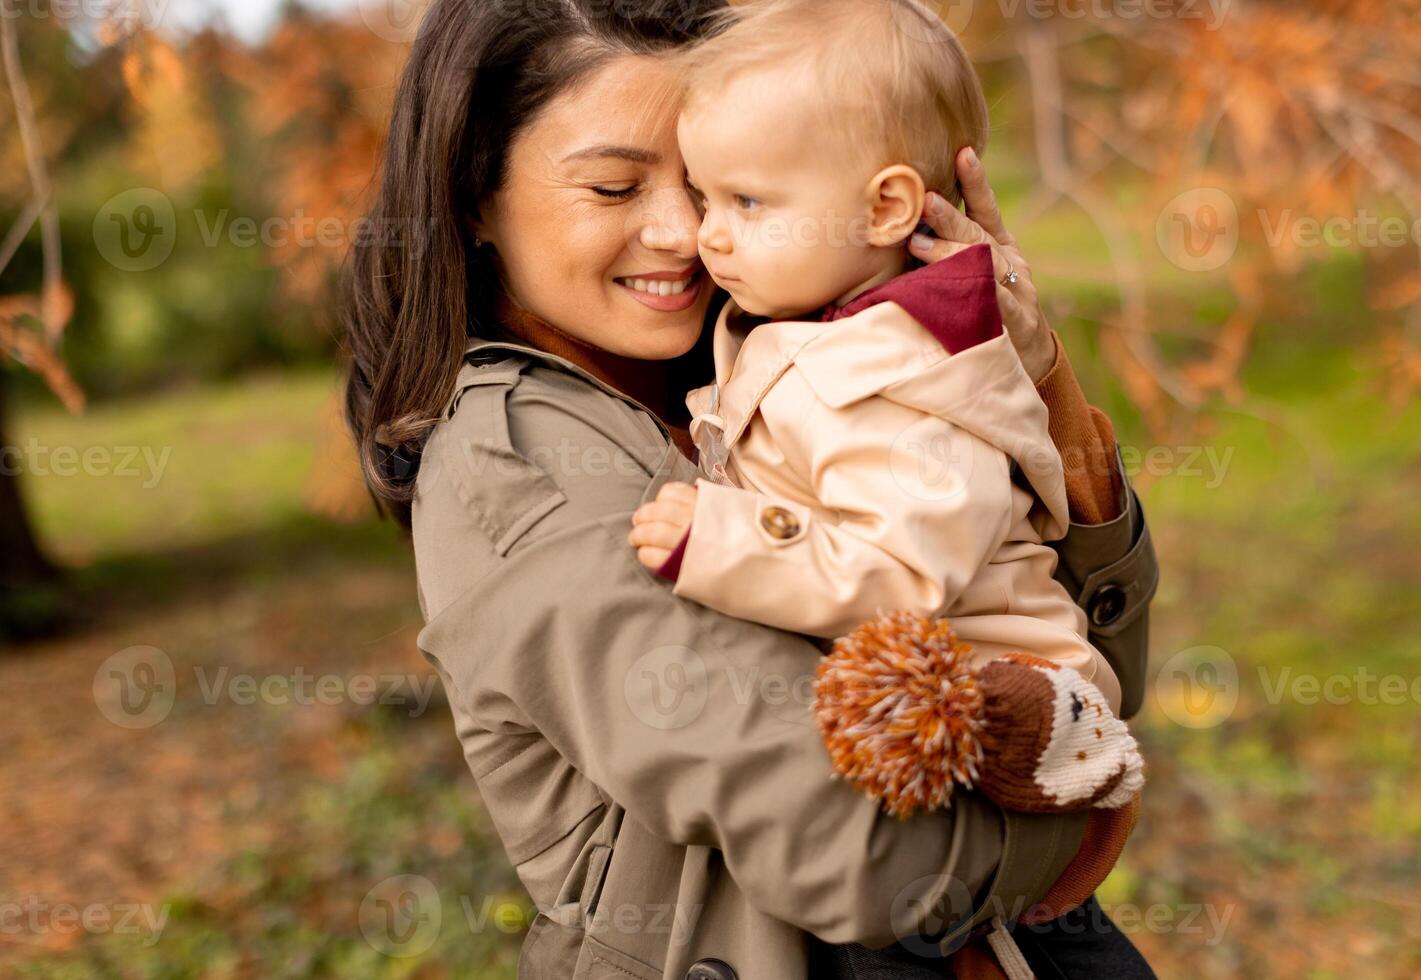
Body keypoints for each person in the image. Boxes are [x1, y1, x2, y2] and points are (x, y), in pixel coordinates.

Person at [341, 1, 1159, 977]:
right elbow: (865, 856)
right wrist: (1085, 799)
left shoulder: (787, 351)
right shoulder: (519, 469)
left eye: (710, 181)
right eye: (613, 186)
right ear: (473, 195)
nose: (687, 232)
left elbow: (1088, 657)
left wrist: (1016, 369)